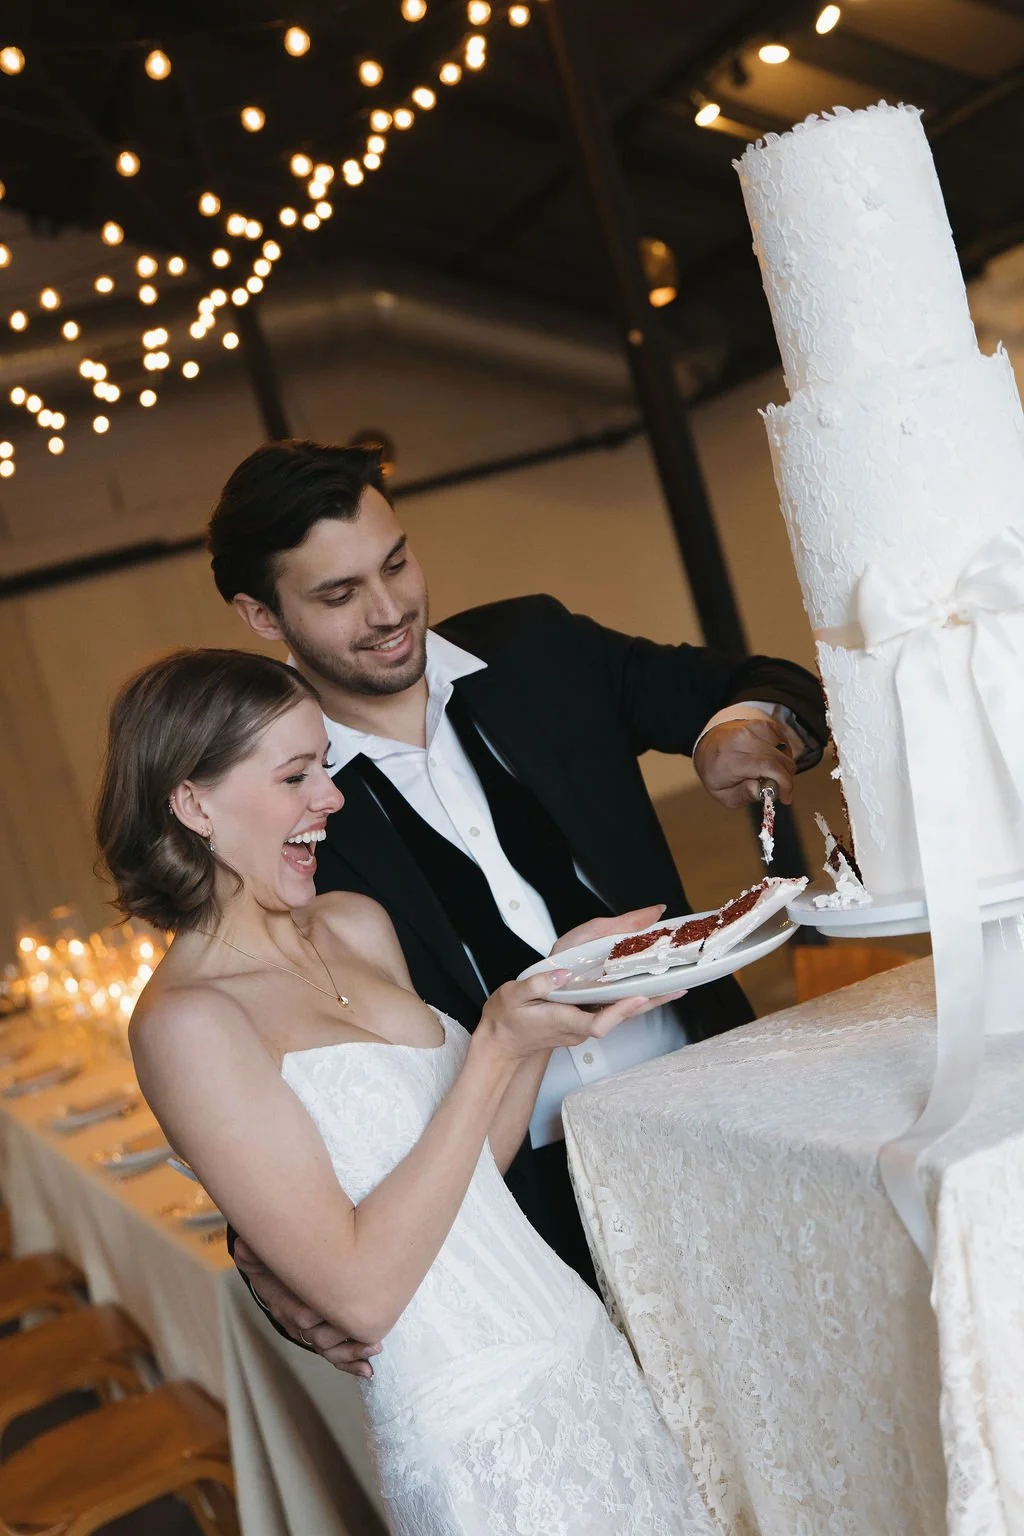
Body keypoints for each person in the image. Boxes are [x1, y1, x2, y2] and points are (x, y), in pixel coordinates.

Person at [207, 439, 827, 1371]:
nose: (388, 612)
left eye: (397, 563)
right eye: (337, 596)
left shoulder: (537, 650)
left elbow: (769, 684)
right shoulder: (274, 792)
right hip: (522, 1210)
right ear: (262, 614)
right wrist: (267, 1255)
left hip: (724, 1107)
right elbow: (244, 1032)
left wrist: (736, 731)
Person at [97, 648, 719, 1536]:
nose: (332, 798)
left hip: (579, 1350)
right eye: (296, 775)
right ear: (193, 803)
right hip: (473, 1427)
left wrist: (552, 996)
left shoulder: (354, 924)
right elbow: (360, 1294)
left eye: (325, 765)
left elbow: (472, 1177)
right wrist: (495, 1046)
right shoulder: (185, 1026)